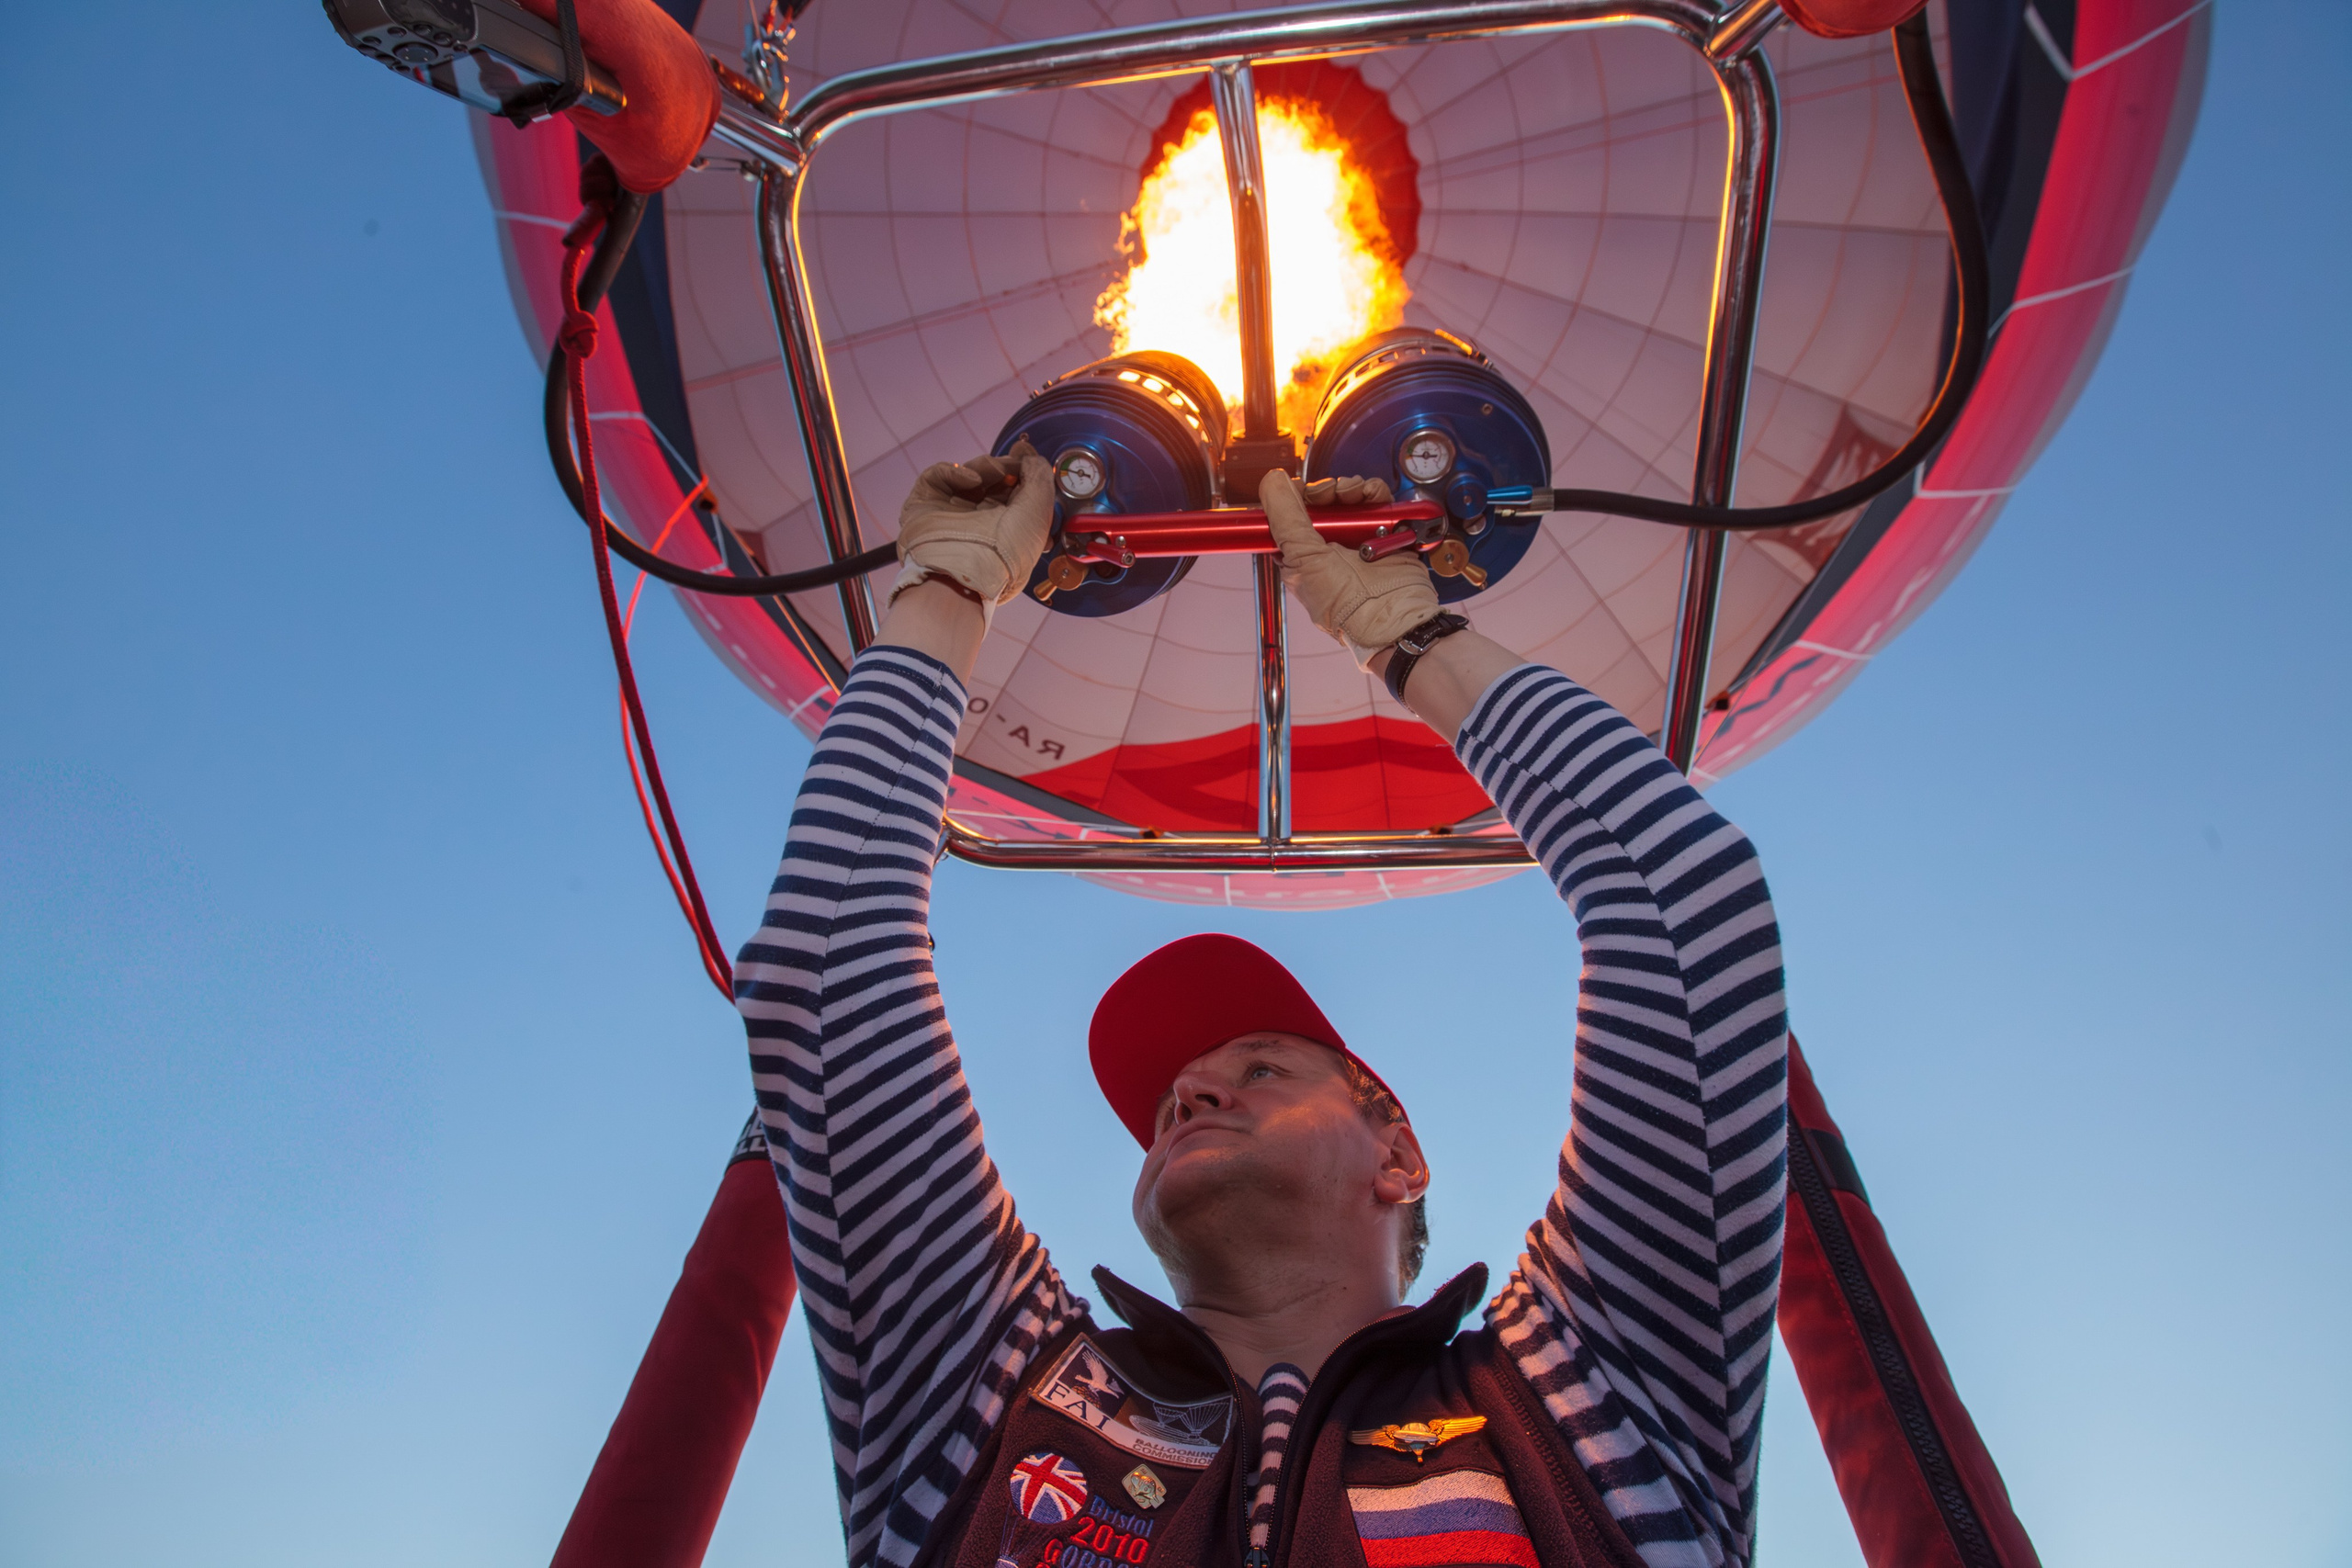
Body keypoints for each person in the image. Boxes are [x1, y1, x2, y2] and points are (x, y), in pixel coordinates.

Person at [737, 446, 1787, 1568]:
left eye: (1264, 1068)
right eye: (1178, 1100)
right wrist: (943, 599)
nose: (1188, 1090)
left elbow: (1683, 911)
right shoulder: (990, 1387)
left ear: (1399, 1155)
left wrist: (1411, 637)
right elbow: (826, 969)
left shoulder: (1585, 1388)